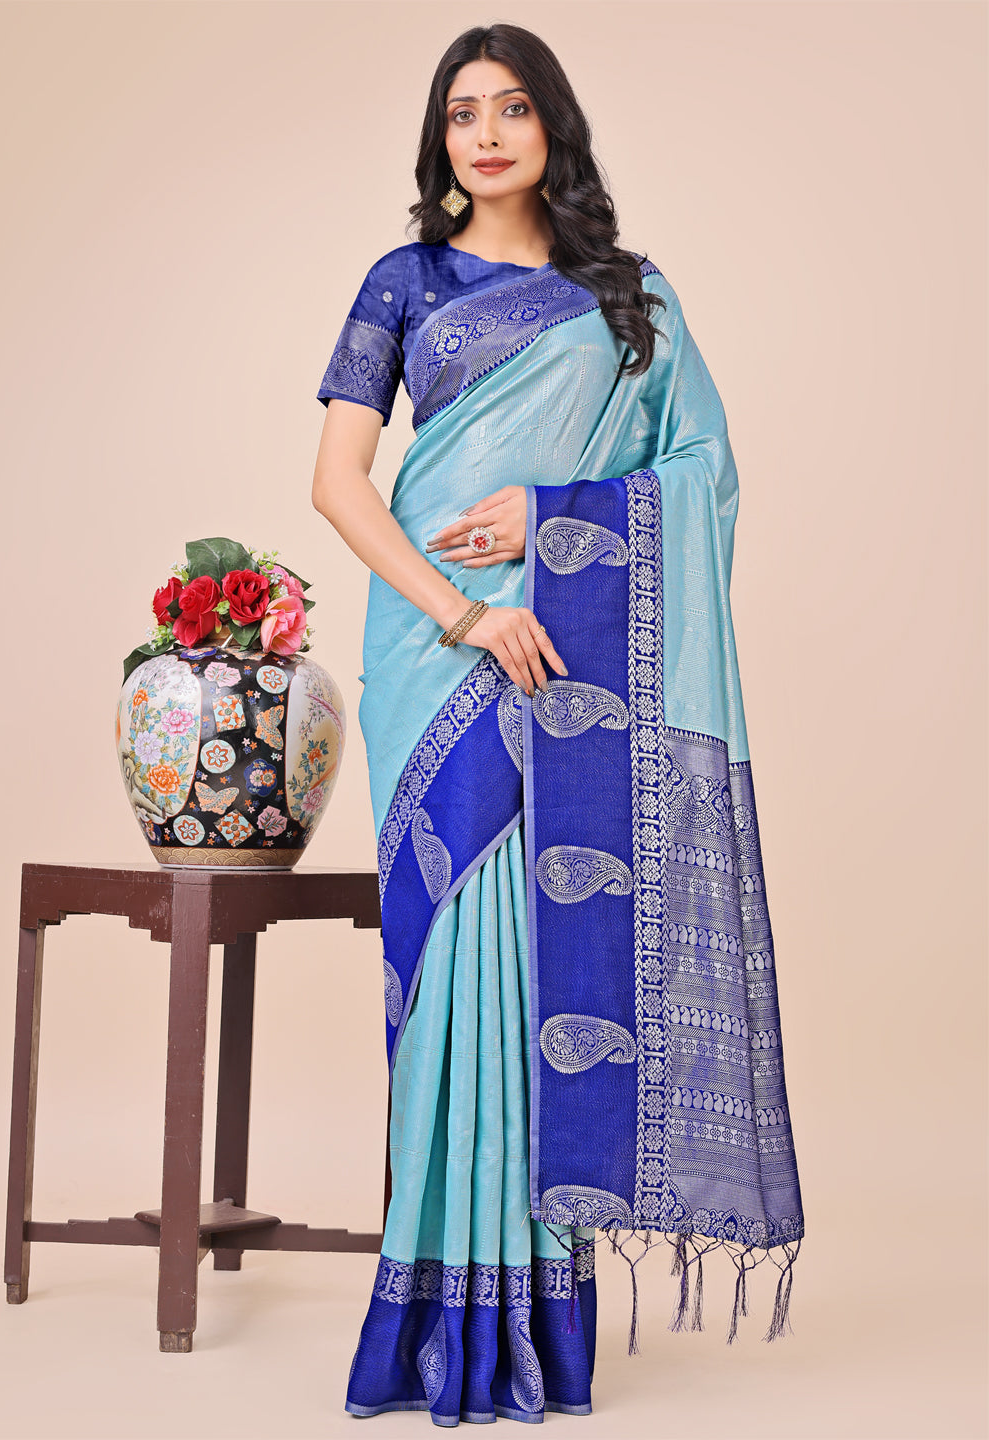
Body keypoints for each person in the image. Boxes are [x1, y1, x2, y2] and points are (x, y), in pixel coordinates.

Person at [311, 22, 805, 1426]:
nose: (485, 134)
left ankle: (535, 1317)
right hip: (438, 654)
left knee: (541, 966)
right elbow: (339, 484)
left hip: (572, 662)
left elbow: (701, 474)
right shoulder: (404, 283)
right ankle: (435, 1315)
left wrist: (553, 522)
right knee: (452, 964)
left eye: (512, 108)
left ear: (553, 128)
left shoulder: (628, 297)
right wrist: (466, 613)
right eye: (462, 112)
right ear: (440, 138)